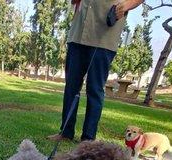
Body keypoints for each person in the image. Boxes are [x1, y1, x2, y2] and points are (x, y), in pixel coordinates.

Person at [49, 0, 144, 142]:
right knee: (71, 87)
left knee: (94, 89)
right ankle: (66, 132)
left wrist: (126, 5)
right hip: (77, 34)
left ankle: (88, 139)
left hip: (104, 37)